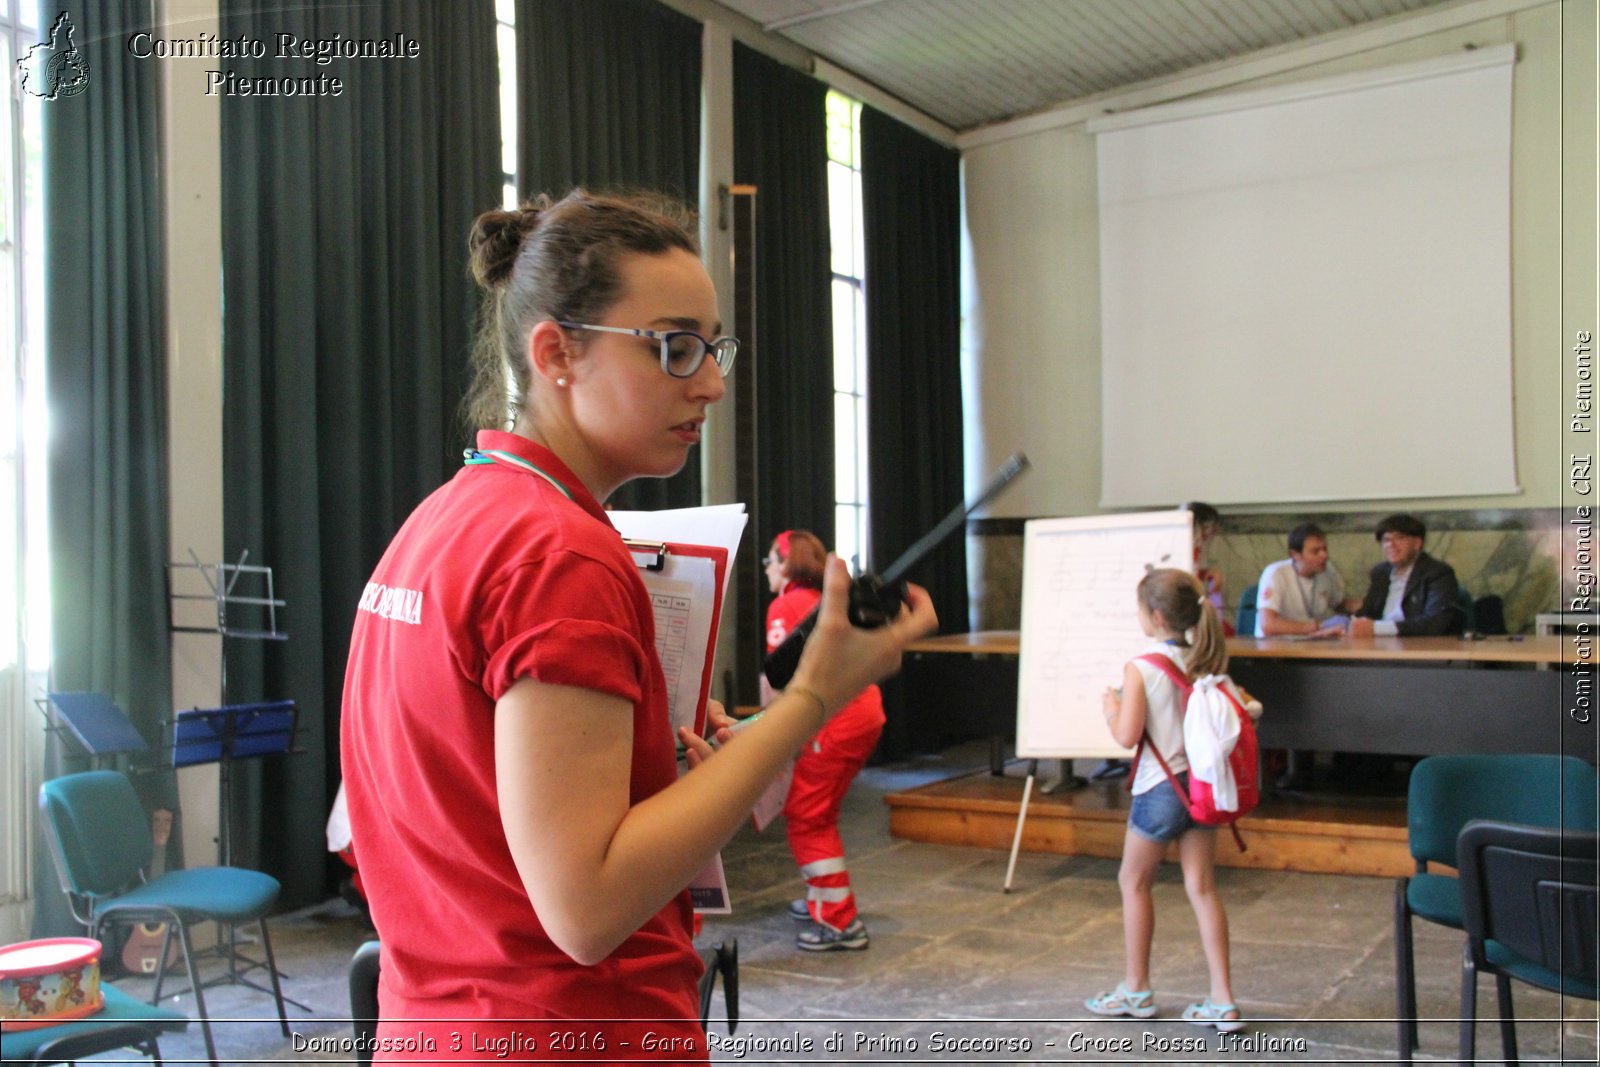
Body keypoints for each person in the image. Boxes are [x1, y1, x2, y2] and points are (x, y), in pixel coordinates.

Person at [339, 190, 937, 1062]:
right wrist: (811, 700)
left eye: (714, 345)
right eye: (674, 346)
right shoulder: (563, 556)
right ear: (557, 353)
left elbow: (476, 800)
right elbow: (586, 909)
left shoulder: (444, 518)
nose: (713, 382)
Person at [1085, 568, 1247, 1033]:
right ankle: (1223, 999)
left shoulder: (1142, 667)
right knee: (1202, 887)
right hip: (1200, 787)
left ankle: (1136, 988)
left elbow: (1127, 735)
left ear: (1155, 616)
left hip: (1160, 789)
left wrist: (1112, 707)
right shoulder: (1206, 659)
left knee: (1133, 883)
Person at [762, 530, 884, 951]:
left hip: (832, 719)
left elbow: (786, 680)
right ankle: (822, 896)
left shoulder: (785, 606)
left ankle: (839, 922)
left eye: (769, 561)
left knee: (808, 818)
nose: (765, 569)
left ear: (785, 564)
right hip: (863, 712)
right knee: (820, 814)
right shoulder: (824, 600)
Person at [1348, 513, 1463, 637]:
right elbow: (1367, 613)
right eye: (1386, 540)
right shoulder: (1380, 572)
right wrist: (1348, 624)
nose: (1391, 545)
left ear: (1417, 543)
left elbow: (1435, 623)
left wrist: (1377, 628)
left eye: (1399, 538)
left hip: (1422, 647)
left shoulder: (1438, 573)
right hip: (1380, 645)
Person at [1254, 522, 1362, 637]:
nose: (1324, 555)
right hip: (1275, 648)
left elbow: (1340, 604)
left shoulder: (1328, 571)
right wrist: (1319, 626)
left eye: (1324, 549)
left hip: (1312, 644)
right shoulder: (1276, 573)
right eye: (1315, 551)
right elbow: (1268, 626)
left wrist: (1372, 604)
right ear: (1295, 554)